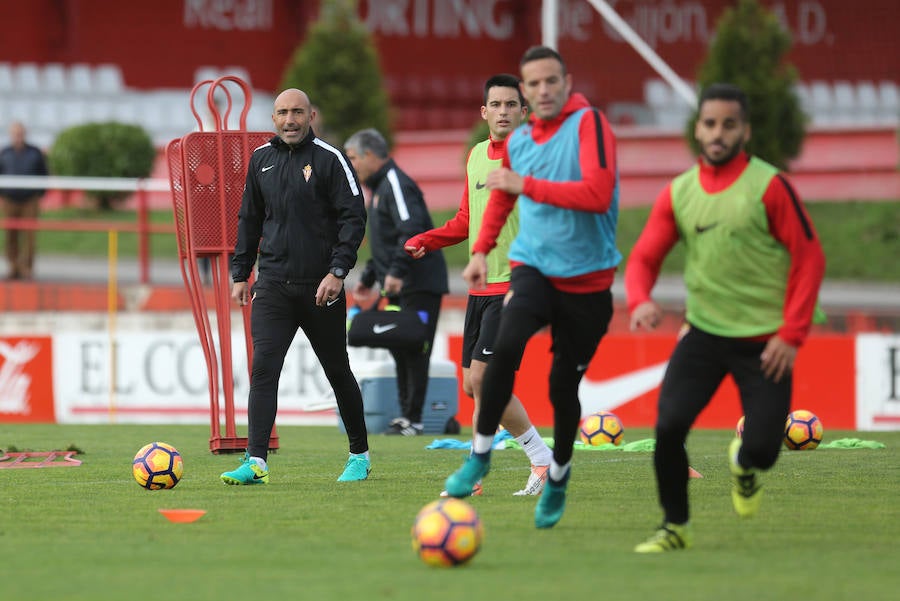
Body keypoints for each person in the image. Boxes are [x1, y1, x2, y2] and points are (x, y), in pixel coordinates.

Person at [625, 83, 826, 552]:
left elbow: (809, 258)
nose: (718, 133)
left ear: (745, 131)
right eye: (710, 123)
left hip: (766, 343)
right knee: (668, 426)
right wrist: (639, 300)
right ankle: (675, 526)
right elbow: (642, 260)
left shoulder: (769, 186)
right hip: (703, 335)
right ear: (697, 128)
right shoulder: (679, 191)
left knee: (763, 450)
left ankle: (744, 465)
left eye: (728, 125)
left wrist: (791, 334)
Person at [443, 46, 621, 530]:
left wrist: (527, 186)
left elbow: (596, 193)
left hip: (586, 278)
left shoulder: (590, 127)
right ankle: (479, 456)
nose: (542, 91)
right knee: (497, 358)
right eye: (533, 84)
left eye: (550, 82)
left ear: (565, 83)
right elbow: (499, 201)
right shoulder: (516, 145)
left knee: (563, 387)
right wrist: (479, 251)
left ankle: (557, 475)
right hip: (532, 269)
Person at [404, 74, 553, 496]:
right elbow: (467, 221)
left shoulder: (532, 158)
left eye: (512, 105)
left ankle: (534, 461)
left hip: (517, 285)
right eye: (496, 105)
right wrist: (426, 240)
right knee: (473, 386)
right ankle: (488, 471)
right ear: (484, 111)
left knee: (487, 381)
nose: (504, 112)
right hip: (480, 289)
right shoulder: (475, 157)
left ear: (524, 113)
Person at [222, 88, 371, 485]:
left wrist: (338, 272)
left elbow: (353, 218)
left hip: (321, 289)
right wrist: (241, 273)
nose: (290, 120)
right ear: (273, 118)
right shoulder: (261, 160)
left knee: (337, 371)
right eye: (283, 112)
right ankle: (256, 461)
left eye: (297, 113)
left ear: (311, 116)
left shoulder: (330, 159)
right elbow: (248, 220)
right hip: (272, 285)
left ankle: (360, 455)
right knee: (263, 371)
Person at [344, 128, 449, 436]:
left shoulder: (395, 184)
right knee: (401, 347)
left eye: (353, 159)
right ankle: (408, 416)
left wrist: (397, 272)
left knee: (416, 347)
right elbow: (386, 245)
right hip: (400, 283)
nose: (352, 166)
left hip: (419, 282)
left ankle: (414, 419)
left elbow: (411, 230)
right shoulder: (379, 190)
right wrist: (369, 278)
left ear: (369, 155)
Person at [0, 121, 48, 280]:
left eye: (20, 133)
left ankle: (27, 268)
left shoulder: (35, 152)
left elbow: (44, 173)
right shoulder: (5, 153)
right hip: (10, 199)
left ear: (25, 134)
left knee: (30, 236)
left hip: (30, 200)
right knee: (11, 236)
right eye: (15, 134)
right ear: (11, 135)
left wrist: (39, 194)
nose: (18, 137)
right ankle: (13, 268)